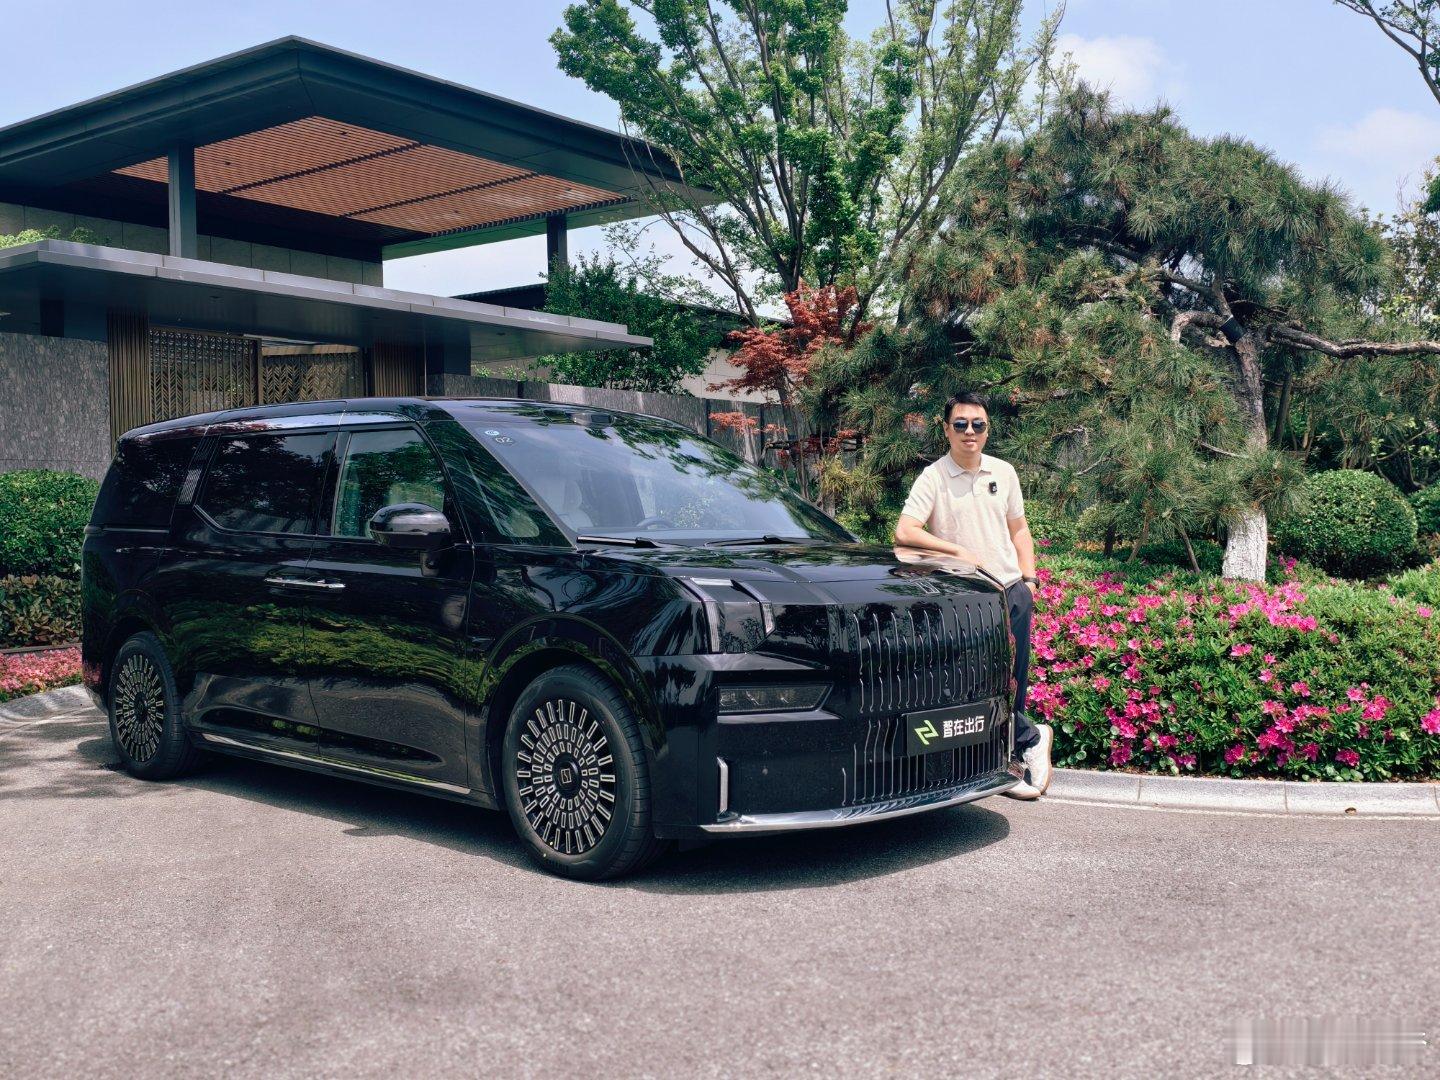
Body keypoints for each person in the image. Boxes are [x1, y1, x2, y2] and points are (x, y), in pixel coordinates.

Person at [893, 391, 1052, 799]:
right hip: (965, 600)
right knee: (968, 681)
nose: (970, 432)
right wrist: (956, 551)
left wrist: (1030, 581)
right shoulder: (934, 477)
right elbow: (905, 531)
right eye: (960, 424)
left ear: (987, 429)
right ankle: (1025, 741)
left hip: (1011, 590)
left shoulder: (1004, 472)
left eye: (977, 424)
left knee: (1012, 679)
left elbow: (1020, 530)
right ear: (946, 429)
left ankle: (1017, 754)